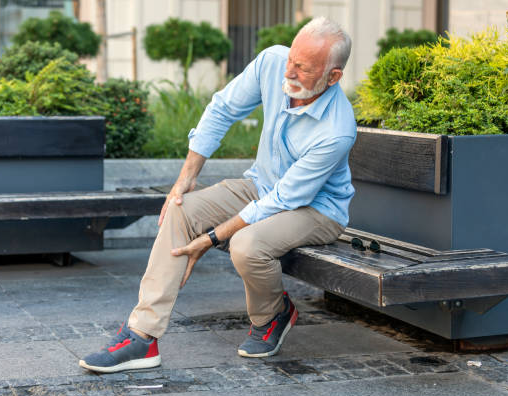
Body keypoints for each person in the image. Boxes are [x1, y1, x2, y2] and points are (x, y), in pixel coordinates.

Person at [79, 16, 356, 373]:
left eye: (303, 69)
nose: (289, 72)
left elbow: (284, 201)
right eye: (292, 59)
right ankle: (142, 337)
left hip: (316, 209)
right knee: (180, 208)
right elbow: (223, 109)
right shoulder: (273, 62)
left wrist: (211, 238)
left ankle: (273, 314)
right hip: (262, 184)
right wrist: (184, 179)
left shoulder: (337, 129)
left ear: (332, 77)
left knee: (246, 244)